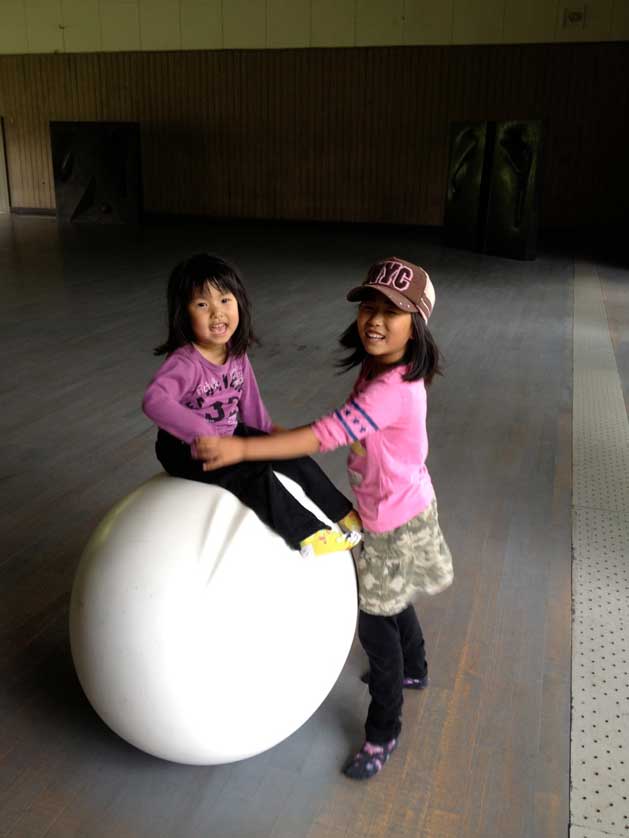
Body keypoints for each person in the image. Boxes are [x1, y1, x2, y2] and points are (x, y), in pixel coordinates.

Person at [194, 257, 454, 780]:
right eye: (370, 307)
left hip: (391, 522)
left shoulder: (392, 389)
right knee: (392, 594)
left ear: (417, 325)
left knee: (375, 631)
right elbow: (336, 432)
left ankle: (384, 731)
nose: (376, 321)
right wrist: (275, 437)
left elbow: (327, 435)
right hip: (404, 504)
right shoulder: (381, 367)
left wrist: (244, 451)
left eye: (393, 313)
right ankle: (418, 667)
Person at [142, 252, 362, 558]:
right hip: (186, 450)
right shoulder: (185, 362)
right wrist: (201, 432)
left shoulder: (235, 353)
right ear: (183, 313)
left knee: (290, 453)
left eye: (224, 300)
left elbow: (249, 403)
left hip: (229, 434)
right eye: (202, 304)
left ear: (239, 303)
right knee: (253, 474)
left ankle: (342, 512)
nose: (216, 313)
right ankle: (308, 534)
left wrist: (271, 433)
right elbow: (154, 400)